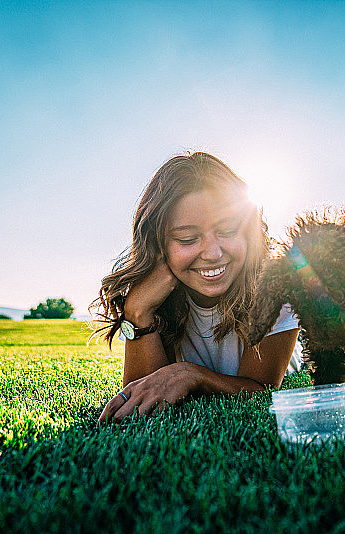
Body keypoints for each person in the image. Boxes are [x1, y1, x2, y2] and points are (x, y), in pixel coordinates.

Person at [93, 152, 302, 423]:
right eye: (188, 238)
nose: (213, 253)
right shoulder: (148, 295)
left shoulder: (273, 285)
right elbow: (144, 394)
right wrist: (138, 310)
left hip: (296, 361)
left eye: (228, 231)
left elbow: (261, 390)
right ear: (158, 246)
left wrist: (191, 375)